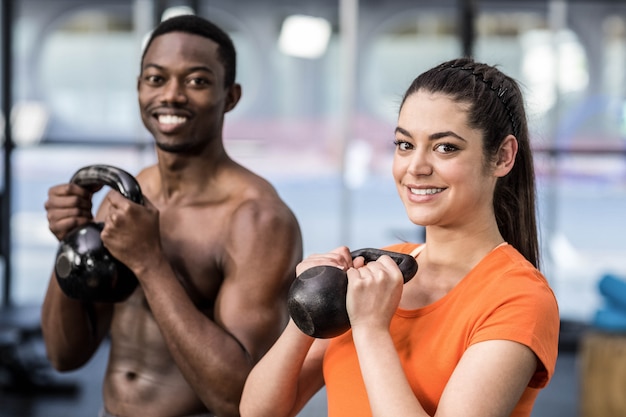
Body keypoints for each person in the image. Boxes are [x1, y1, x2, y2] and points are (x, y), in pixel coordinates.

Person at [240, 57, 560, 417]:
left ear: (502, 156)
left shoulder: (519, 299)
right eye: (405, 144)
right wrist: (307, 311)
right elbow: (258, 412)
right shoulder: (378, 274)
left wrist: (371, 330)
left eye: (445, 148)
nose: (416, 167)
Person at [42, 14, 303, 417]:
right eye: (156, 78)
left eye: (197, 81)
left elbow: (240, 401)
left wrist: (150, 262)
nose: (172, 95)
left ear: (230, 96)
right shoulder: (123, 199)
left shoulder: (257, 220)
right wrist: (72, 241)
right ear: (138, 88)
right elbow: (65, 355)